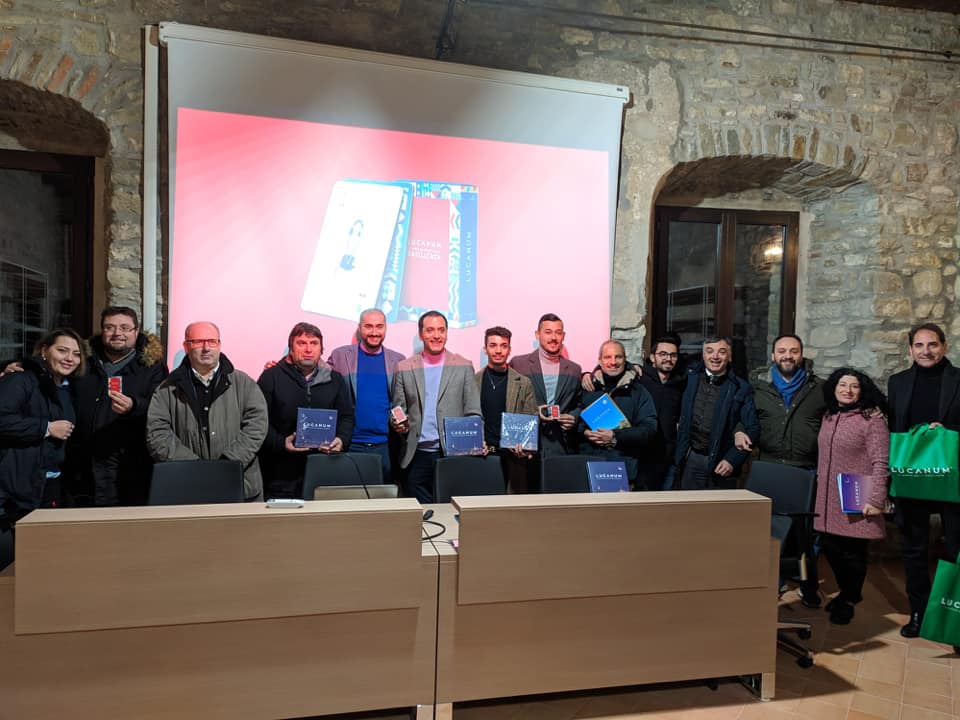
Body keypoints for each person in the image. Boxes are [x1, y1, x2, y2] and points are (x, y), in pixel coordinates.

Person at [736, 333, 826, 606]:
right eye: (782, 351)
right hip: (769, 467)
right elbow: (742, 418)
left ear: (802, 355)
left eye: (794, 351)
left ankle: (808, 585)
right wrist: (738, 431)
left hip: (805, 470)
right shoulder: (757, 388)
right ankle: (770, 584)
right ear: (773, 355)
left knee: (806, 535)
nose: (788, 356)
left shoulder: (820, 389)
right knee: (766, 530)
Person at [888, 323, 960, 640]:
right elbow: (893, 426)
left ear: (944, 346)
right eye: (919, 345)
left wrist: (949, 432)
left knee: (956, 549)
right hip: (912, 477)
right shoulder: (898, 382)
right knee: (914, 551)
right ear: (910, 349)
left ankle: (952, 620)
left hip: (952, 477)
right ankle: (919, 612)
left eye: (932, 344)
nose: (926, 351)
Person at [146, 322, 268, 501]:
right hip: (186, 486)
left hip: (241, 486)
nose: (206, 348)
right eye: (198, 342)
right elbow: (157, 434)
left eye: (212, 341)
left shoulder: (244, 383)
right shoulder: (166, 389)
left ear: (219, 345)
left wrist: (229, 462)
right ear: (186, 347)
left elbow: (257, 426)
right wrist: (194, 467)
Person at [70, 306, 168, 506]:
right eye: (110, 327)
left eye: (125, 328)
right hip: (84, 464)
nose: (117, 333)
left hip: (131, 465)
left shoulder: (152, 367)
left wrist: (134, 405)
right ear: (102, 331)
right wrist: (13, 366)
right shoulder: (81, 361)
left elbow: (162, 406)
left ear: (136, 332)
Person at [814, 368, 890, 625]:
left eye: (854, 386)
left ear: (862, 391)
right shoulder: (828, 416)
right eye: (842, 384)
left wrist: (876, 499)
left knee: (854, 552)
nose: (847, 390)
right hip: (827, 498)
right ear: (833, 388)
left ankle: (849, 598)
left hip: (856, 495)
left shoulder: (872, 419)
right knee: (830, 547)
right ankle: (848, 592)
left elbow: (881, 462)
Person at [390, 311, 482, 503]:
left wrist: (471, 446)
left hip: (452, 454)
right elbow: (398, 410)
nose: (436, 335)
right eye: (430, 330)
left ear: (447, 333)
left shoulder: (464, 366)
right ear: (420, 334)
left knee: (450, 510)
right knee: (420, 513)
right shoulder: (404, 367)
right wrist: (398, 425)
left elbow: (473, 412)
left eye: (441, 330)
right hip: (416, 455)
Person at [258, 322, 355, 499]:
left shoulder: (335, 379)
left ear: (322, 349)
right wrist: (281, 443)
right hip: (281, 473)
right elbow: (259, 421)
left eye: (314, 343)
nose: (308, 349)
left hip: (325, 468)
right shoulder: (271, 377)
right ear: (291, 348)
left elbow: (346, 417)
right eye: (301, 343)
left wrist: (341, 440)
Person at [0, 328, 84, 524]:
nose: (69, 358)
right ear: (44, 351)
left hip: (50, 485)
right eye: (62, 350)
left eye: (76, 354)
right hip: (14, 489)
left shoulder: (69, 388)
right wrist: (46, 428)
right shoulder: (20, 379)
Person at [327, 308, 404, 484]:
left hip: (385, 446)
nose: (374, 332)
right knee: (349, 497)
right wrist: (284, 365)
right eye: (369, 326)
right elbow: (317, 375)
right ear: (360, 328)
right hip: (348, 444)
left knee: (384, 497)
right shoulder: (340, 356)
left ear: (386, 328)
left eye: (379, 326)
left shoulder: (398, 360)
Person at [675, 336, 759, 489]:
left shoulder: (741, 388)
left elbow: (752, 428)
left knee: (720, 505)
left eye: (721, 352)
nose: (715, 356)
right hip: (691, 459)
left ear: (729, 356)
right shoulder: (689, 379)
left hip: (722, 463)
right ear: (703, 355)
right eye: (710, 351)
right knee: (689, 504)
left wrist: (732, 460)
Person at [578, 340, 658, 488]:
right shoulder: (587, 388)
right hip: (590, 470)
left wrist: (615, 436)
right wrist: (584, 432)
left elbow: (649, 429)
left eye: (618, 357)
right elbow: (575, 422)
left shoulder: (639, 391)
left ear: (625, 359)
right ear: (599, 361)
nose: (613, 362)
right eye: (607, 357)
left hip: (625, 472)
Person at [509, 313, 582, 458]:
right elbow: (509, 402)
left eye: (558, 333)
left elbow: (579, 404)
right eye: (548, 332)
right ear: (537, 335)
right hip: (526, 446)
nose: (553, 337)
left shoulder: (575, 370)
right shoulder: (518, 364)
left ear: (563, 336)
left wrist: (573, 417)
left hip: (561, 445)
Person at [475, 326, 538, 492]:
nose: (498, 350)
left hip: (513, 459)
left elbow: (530, 420)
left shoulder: (523, 383)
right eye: (493, 345)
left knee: (513, 505)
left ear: (509, 349)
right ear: (485, 349)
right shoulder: (474, 381)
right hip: (482, 456)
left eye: (503, 346)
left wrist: (525, 446)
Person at [636, 336, 686, 490]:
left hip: (668, 459)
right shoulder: (639, 378)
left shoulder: (681, 382)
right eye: (663, 354)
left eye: (673, 355)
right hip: (640, 458)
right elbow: (614, 370)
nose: (668, 359)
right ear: (652, 357)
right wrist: (590, 373)